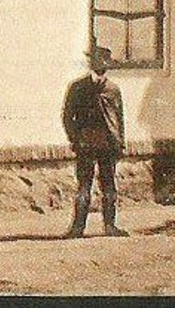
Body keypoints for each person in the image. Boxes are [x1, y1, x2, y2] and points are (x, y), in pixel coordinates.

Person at [61, 46, 128, 237]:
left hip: (108, 144)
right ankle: (77, 228)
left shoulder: (113, 89)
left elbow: (119, 118)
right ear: (92, 63)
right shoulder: (78, 87)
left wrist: (120, 143)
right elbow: (67, 116)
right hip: (86, 143)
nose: (100, 65)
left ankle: (110, 226)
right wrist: (75, 138)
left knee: (108, 184)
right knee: (84, 185)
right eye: (97, 61)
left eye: (104, 62)